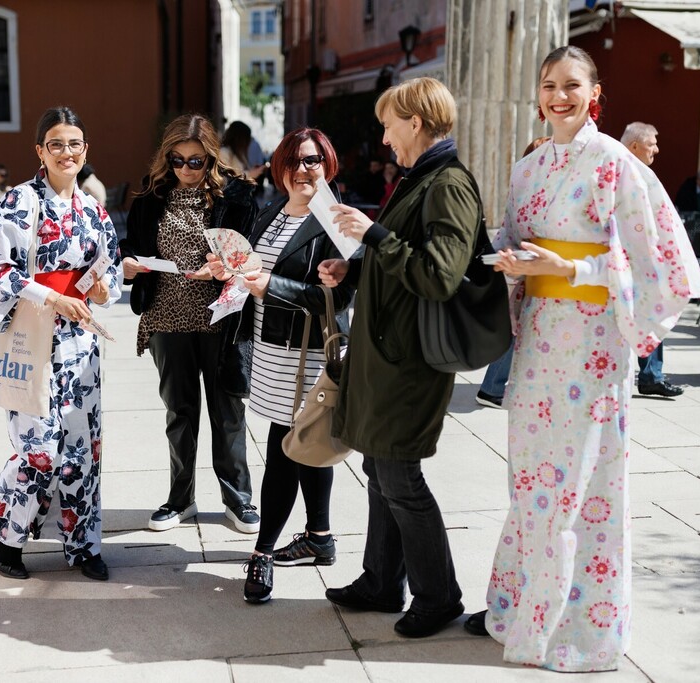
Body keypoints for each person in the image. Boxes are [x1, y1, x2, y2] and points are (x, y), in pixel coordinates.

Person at [466, 46, 700, 672]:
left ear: (594, 92)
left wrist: (570, 265)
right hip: (540, 345)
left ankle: (580, 628)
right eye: (549, 85)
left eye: (572, 85)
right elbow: (513, 244)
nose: (559, 96)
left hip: (595, 347)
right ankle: (522, 606)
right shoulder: (528, 169)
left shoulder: (618, 165)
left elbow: (662, 265)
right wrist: (504, 261)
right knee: (530, 482)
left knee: (581, 488)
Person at [317, 77, 478, 639]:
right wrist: (354, 267)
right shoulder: (422, 178)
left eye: (388, 125)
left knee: (399, 474)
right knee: (380, 467)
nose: (384, 138)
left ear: (415, 122)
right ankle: (382, 581)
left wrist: (374, 236)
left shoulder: (449, 183)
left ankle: (439, 596)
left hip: (410, 360)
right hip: (389, 353)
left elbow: (439, 274)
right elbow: (401, 255)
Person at [207, 128, 356, 604]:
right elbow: (253, 267)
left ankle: (263, 551)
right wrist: (227, 272)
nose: (302, 171)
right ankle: (320, 535)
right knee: (310, 441)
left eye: (312, 161)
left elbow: (337, 298)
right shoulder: (271, 212)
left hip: (310, 354)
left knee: (287, 449)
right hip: (272, 353)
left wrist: (269, 287)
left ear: (328, 164)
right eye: (292, 161)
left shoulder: (336, 220)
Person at [0, 107, 122, 583]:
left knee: (82, 448)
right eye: (55, 144)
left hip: (80, 344)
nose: (66, 153)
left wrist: (102, 289)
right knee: (39, 450)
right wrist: (51, 296)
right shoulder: (20, 202)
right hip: (31, 340)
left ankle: (82, 545)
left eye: (74, 144)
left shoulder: (94, 210)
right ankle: (2, 532)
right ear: (40, 151)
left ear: (86, 151)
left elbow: (111, 269)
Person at [120, 114, 261, 535]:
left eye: (195, 162)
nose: (185, 169)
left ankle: (239, 500)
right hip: (167, 319)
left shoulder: (237, 197)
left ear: (211, 159)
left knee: (228, 412)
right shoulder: (149, 198)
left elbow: (250, 253)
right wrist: (129, 260)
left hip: (222, 319)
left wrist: (225, 268)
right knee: (179, 413)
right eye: (177, 160)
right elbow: (132, 243)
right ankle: (180, 499)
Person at [476, 136, 552, 409]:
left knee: (519, 327)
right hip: (523, 267)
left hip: (523, 265)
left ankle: (496, 386)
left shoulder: (528, 186)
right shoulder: (533, 188)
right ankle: (492, 387)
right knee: (516, 328)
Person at [621, 122, 685, 398]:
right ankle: (650, 375)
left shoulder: (639, 172)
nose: (656, 149)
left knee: (654, 310)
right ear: (635, 145)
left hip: (640, 260)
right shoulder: (624, 171)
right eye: (652, 144)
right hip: (623, 261)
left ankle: (651, 375)